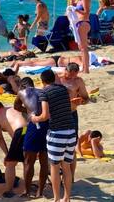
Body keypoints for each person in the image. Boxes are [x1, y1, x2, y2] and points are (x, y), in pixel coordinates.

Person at [31, 70, 76, 202]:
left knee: (55, 167)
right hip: (71, 131)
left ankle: (56, 199)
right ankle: (66, 198)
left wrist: (34, 118)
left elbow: (45, 116)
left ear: (42, 81)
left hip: (57, 133)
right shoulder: (63, 89)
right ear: (54, 78)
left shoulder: (44, 92)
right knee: (66, 166)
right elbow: (71, 97)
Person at [0, 100, 29, 198]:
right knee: (26, 161)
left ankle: (9, 190)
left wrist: (7, 155)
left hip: (20, 131)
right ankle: (28, 187)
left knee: (10, 163)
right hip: (28, 129)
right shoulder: (12, 108)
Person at [18, 78, 49, 198]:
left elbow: (16, 106)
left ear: (22, 86)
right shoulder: (42, 92)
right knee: (44, 161)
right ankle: (40, 192)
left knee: (28, 161)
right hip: (46, 125)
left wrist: (28, 112)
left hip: (34, 125)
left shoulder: (21, 93)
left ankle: (27, 191)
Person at [68, 0, 93, 74]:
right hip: (79, 23)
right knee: (81, 47)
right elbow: (72, 6)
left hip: (84, 22)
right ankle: (84, 67)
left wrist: (75, 9)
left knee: (84, 47)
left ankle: (86, 70)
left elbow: (86, 12)